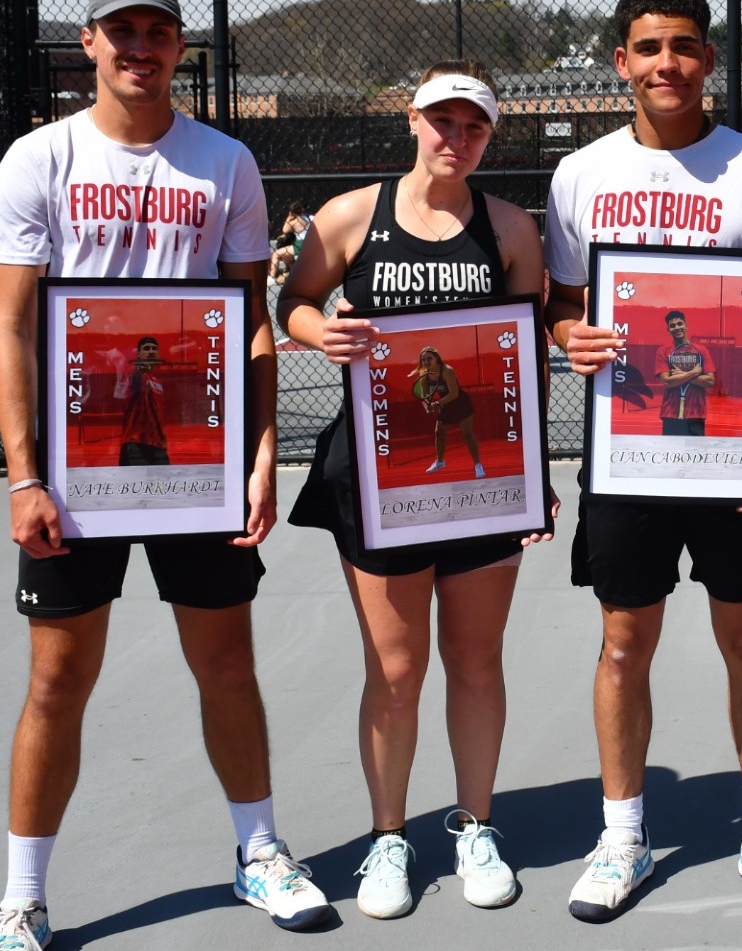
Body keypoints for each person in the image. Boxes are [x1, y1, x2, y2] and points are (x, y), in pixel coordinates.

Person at [0, 0, 326, 951]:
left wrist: (260, 453)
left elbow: (251, 327)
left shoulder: (224, 163)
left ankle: (259, 851)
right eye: (121, 30)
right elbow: (11, 330)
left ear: (180, 48)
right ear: (87, 44)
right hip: (74, 468)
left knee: (226, 664)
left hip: (199, 463)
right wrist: (23, 474)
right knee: (57, 680)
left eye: (158, 32)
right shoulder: (38, 160)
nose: (140, 46)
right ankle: (23, 895)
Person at [543, 0, 742, 923]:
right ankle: (623, 834)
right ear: (622, 60)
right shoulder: (580, 175)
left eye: (686, 46)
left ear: (710, 58)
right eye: (650, 47)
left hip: (736, 456)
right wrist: (564, 338)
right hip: (629, 454)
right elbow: (564, 309)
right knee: (624, 644)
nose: (668, 64)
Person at [277, 61, 548, 918]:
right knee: (395, 670)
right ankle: (388, 839)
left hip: (479, 484)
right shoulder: (352, 216)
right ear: (412, 120)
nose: (454, 139)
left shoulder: (509, 229)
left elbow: (525, 361)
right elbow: (294, 302)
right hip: (375, 475)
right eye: (442, 121)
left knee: (475, 660)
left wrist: (528, 481)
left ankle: (477, 826)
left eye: (473, 128)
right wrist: (327, 332)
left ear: (489, 138)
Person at [412, 345, 485, 477]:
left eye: (429, 358)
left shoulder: (447, 371)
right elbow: (425, 396)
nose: (427, 362)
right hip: (445, 405)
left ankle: (478, 465)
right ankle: (440, 462)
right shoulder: (423, 375)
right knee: (439, 432)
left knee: (468, 434)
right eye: (424, 360)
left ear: (436, 358)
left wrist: (436, 403)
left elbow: (454, 394)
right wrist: (427, 407)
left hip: (461, 403)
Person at [110, 335, 171, 464]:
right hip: (135, 445)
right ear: (139, 353)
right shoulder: (133, 375)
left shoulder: (157, 382)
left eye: (154, 349)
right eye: (146, 348)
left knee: (160, 484)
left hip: (158, 446)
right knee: (137, 484)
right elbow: (135, 379)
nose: (151, 351)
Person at [656, 309, 716, 434]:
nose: (676, 327)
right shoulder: (663, 351)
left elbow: (710, 381)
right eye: (672, 326)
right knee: (671, 453)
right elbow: (667, 382)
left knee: (695, 453)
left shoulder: (701, 350)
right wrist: (693, 373)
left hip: (696, 413)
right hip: (670, 413)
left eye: (679, 324)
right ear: (668, 330)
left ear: (686, 325)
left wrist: (679, 375)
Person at [271, 203, 310, 285]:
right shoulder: (307, 217)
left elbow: (284, 230)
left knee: (276, 254)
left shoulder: (295, 222)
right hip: (308, 243)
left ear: (291, 212)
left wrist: (289, 218)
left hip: (300, 244)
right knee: (286, 255)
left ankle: (271, 277)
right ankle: (294, 273)